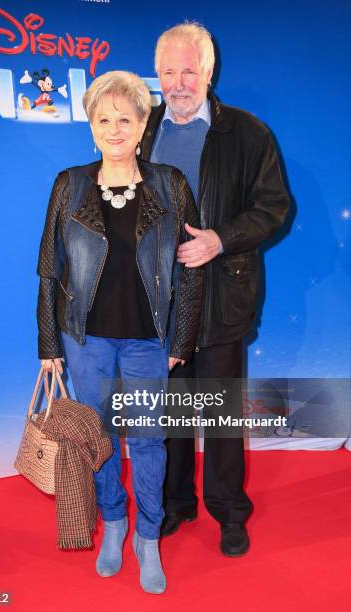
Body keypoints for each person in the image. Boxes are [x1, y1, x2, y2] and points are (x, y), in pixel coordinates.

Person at [36, 70, 203, 594]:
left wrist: (181, 340)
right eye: (103, 119)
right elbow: (49, 267)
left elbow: (190, 268)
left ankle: (147, 537)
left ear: (141, 126)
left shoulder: (170, 184)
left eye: (124, 119)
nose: (114, 129)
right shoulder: (70, 184)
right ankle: (115, 524)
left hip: (149, 340)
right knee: (101, 439)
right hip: (85, 340)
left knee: (150, 440)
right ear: (91, 128)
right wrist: (48, 344)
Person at [141, 23, 290, 555]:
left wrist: (221, 240)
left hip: (224, 293)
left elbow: (274, 208)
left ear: (208, 70)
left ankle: (228, 510)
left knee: (221, 412)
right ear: (157, 75)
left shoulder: (249, 134)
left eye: (188, 70)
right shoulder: (140, 129)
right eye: (167, 72)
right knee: (171, 412)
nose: (178, 82)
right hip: (157, 300)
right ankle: (174, 503)